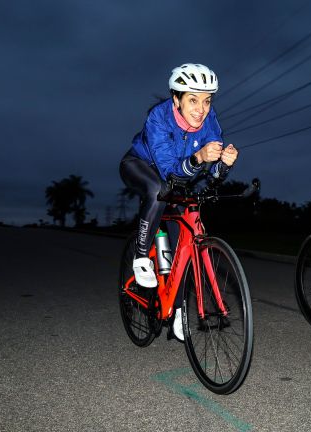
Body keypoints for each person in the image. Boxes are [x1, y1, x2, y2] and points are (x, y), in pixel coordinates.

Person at [120, 63, 238, 339]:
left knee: (180, 242)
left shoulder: (209, 120)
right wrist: (199, 158)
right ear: (176, 99)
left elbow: (213, 174)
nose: (201, 109)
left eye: (207, 101)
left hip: (179, 177)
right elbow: (169, 171)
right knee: (158, 189)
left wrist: (225, 163)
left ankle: (178, 307)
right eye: (193, 100)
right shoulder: (158, 117)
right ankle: (140, 258)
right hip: (141, 165)